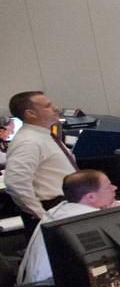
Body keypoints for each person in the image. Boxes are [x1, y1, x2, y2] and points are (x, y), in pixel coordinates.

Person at [17, 170, 116, 284]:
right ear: (91, 197)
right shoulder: (84, 221)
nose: (114, 188)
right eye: (108, 187)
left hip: (35, 285)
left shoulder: (60, 210)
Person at [5, 91, 77, 232]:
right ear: (31, 114)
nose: (55, 108)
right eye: (48, 106)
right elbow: (16, 182)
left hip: (65, 206)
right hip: (52, 209)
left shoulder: (44, 135)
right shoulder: (28, 141)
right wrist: (41, 214)